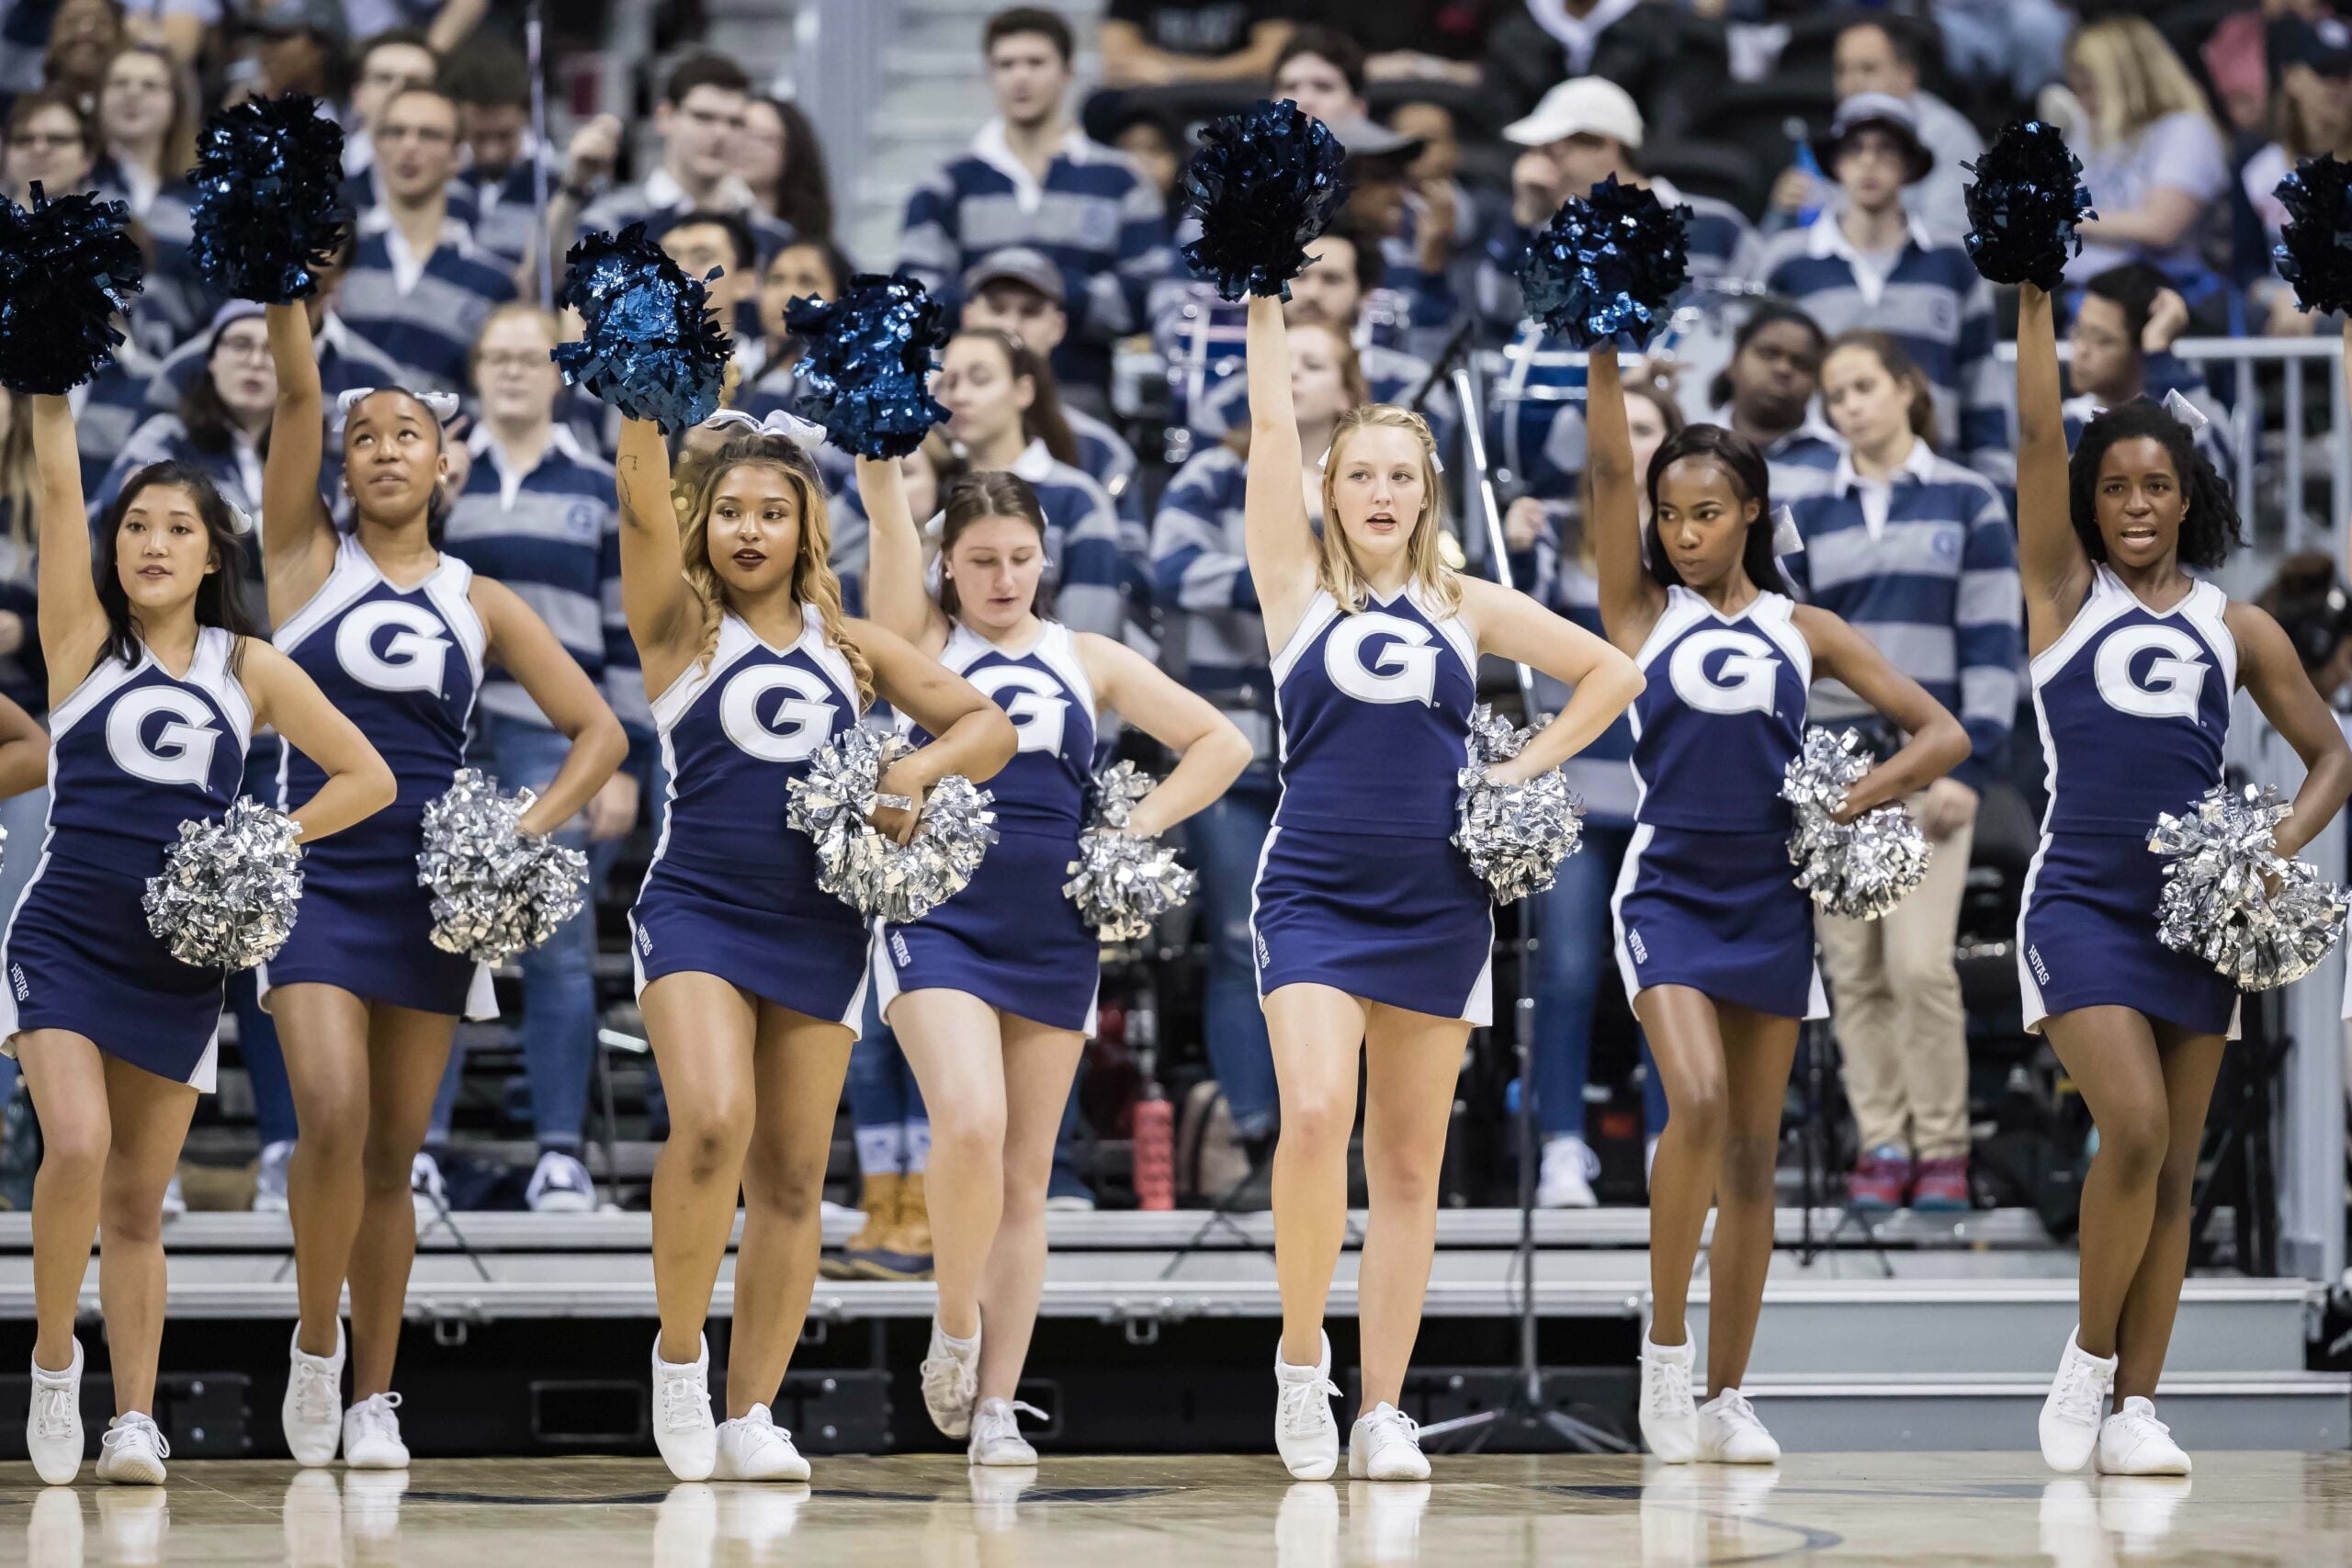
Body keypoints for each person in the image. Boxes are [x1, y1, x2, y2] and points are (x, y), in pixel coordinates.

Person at [1243, 292, 1645, 1481]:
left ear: (1428, 493)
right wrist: (1266, 296)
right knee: (1317, 1111)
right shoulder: (1293, 585)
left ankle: (1381, 1407)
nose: (1378, 493)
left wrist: (1515, 768)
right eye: (1358, 473)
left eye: (1399, 477)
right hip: (1311, 888)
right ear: (1331, 489)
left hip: (1436, 901)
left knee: (1409, 1162)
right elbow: (1273, 427)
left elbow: (1611, 673)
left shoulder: (1465, 602)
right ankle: (1302, 1361)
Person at [607, 412, 1013, 1483]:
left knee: (791, 1178)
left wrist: (911, 775)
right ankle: (680, 1364)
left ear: (803, 532)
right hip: (694, 905)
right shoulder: (677, 629)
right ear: (707, 524)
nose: (749, 530)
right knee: (712, 1121)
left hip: (821, 925)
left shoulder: (851, 647)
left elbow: (987, 725)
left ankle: (751, 1414)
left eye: (772, 514)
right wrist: (647, 400)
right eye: (731, 511)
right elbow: (639, 504)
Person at [257, 299, 627, 1471]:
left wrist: (521, 833)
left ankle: (375, 1392)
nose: (379, 449)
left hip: (430, 889)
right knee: (332, 1111)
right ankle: (315, 1348)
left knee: (391, 1152)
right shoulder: (301, 563)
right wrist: (284, 297)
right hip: (314, 865)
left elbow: (599, 734)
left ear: (442, 461)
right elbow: (300, 399)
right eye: (363, 436)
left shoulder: (479, 598)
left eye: (404, 434)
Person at [1586, 347, 1968, 1466]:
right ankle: (1662, 1353)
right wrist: (1604, 354)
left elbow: (1941, 731)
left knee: (1754, 1155)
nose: (1684, 533)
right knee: (1695, 1104)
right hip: (1664, 890)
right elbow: (1608, 477)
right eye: (1671, 516)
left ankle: (1725, 1393)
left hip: (1769, 899)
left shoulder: (1806, 631)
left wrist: (1851, 798)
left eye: (1707, 514)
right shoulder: (1637, 611)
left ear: (1751, 514)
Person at [8, 388, 391, 1487]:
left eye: (178, 528)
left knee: (135, 1203)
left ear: (213, 550)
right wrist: (45, 386)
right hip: (65, 937)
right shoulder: (81, 641)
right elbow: (58, 486)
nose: (153, 543)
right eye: (136, 527)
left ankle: (134, 1418)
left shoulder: (248, 667)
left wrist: (263, 840)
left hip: (177, 964)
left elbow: (365, 777)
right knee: (74, 1146)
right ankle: (50, 1362)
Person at [2012, 282, 2352, 1475]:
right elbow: (2037, 435)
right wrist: (2037, 298)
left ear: (2190, 493)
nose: (2139, 503)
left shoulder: (2238, 623)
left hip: (2198, 920)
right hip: (2079, 902)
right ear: (2087, 505)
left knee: (2171, 1171)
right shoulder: (2059, 598)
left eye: (2158, 484)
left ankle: (2138, 1409)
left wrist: (2266, 853)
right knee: (2137, 1126)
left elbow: (2332, 757)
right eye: (2117, 486)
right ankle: (2087, 1363)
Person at [858, 449, 1249, 1465]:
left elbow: (1221, 744)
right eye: (980, 559)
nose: (1001, 578)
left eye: (1020, 557)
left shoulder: (1089, 657)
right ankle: (952, 1324)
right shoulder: (918, 643)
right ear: (949, 566)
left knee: (1026, 1178)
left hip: (1051, 931)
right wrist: (879, 466)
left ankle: (995, 1407)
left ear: (1045, 559)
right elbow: (891, 532)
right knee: (973, 1124)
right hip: (936, 915)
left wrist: (1134, 828)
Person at [1787, 331, 2021, 1213]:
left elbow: (1997, 638)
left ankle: (1945, 1148)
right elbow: (1799, 643)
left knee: (1922, 965)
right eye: (1835, 392)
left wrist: (1979, 761)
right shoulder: (1810, 504)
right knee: (1855, 969)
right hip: (1837, 773)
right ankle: (1882, 1142)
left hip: (1932, 766)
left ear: (1906, 389)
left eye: (1862, 386)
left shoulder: (1969, 499)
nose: (1848, 404)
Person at [428, 304, 640, 1214]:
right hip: (447, 734)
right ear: (475, 371)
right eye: (497, 357)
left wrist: (624, 761)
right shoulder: (441, 478)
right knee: (438, 939)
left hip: (557, 737)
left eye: (530, 357)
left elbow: (628, 630)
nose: (514, 371)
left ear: (558, 373)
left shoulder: (595, 485)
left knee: (552, 946)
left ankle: (560, 1152)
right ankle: (419, 1150)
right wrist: (437, 499)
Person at [1150, 318, 1366, 1205]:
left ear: (1349, 384)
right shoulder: (1210, 473)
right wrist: (1289, 571)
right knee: (1245, 940)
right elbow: (1172, 571)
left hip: (1337, 746)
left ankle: (1334, 1132)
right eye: (1291, 360)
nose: (1298, 375)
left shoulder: (1373, 478)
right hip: (1234, 730)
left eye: (1318, 363)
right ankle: (1251, 1134)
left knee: (1344, 943)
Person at [1507, 377, 1684, 1205]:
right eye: (1621, 429)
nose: (1632, 443)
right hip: (1578, 793)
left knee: (1666, 976)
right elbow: (1513, 651)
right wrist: (1508, 541)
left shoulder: (1700, 537)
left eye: (1650, 427)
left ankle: (1667, 1141)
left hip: (1672, 797)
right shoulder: (1559, 532)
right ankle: (1561, 1145)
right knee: (1570, 970)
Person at [899, 8, 1170, 398]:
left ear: (1068, 71)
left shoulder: (1122, 180)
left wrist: (1044, 295)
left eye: (1036, 62)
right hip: (969, 404)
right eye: (1006, 64)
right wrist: (996, 304)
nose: (1021, 77)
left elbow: (1146, 294)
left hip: (1081, 400)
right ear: (989, 74)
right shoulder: (944, 182)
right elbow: (916, 299)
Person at [1759, 94, 2010, 488]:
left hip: (1935, 482)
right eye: (1855, 149)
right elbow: (1763, 383)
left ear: (1910, 165)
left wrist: (1995, 478)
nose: (1869, 162)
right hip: (1814, 483)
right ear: (1835, 163)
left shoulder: (1954, 262)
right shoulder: (1786, 261)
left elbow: (1979, 379)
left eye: (1887, 149)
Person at [847, 327, 1138, 640]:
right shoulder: (932, 487)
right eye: (949, 383)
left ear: (1023, 391)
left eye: (980, 379)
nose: (960, 396)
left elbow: (1091, 633)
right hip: (934, 677)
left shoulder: (1077, 497)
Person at [334, 85, 521, 397]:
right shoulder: (335, 258)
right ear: (376, 145)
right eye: (395, 132)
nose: (409, 146)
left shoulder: (494, 280)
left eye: (429, 135)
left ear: (457, 155)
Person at [557, 53, 790, 280]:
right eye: (704, 117)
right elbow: (547, 289)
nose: (721, 134)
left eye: (734, 122)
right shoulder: (611, 224)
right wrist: (573, 187)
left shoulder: (772, 238)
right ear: (665, 117)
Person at [1769, 17, 1983, 243]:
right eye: (1842, 70)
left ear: (1907, 76)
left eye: (1868, 69)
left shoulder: (1947, 136)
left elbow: (1951, 243)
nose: (1852, 83)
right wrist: (1782, 215)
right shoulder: (1834, 136)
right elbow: (1780, 255)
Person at [2061, 17, 2231, 289]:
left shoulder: (2185, 130)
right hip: (2075, 285)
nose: (2082, 102)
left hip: (2156, 293)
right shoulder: (2090, 131)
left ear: (2128, 80)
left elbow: (2160, 228)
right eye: (2077, 89)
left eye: (2090, 89)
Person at [959, 248, 1136, 496]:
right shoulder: (927, 443)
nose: (1011, 326)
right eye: (997, 309)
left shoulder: (1101, 451)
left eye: (1030, 311)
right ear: (967, 318)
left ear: (1058, 327)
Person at [89, 41, 208, 349]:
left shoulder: (206, 200)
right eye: (120, 83)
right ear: (99, 98)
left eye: (150, 85)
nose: (133, 93)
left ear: (176, 103)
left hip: (180, 372)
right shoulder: (72, 184)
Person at [2063, 265, 2226, 477]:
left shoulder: (2199, 412)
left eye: (2101, 339)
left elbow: (2204, 477)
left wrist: (2158, 350)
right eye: (2079, 332)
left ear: (2141, 349)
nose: (2081, 350)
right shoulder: (2066, 422)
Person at [2246, 17, 2352, 337]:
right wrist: (2281, 298)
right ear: (2291, 78)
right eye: (2323, 72)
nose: (2336, 85)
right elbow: (2244, 271)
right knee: (2250, 317)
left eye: (2345, 74)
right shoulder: (2259, 171)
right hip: (2280, 313)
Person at [1706, 304, 1839, 507]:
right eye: (1768, 354)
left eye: (1802, 364)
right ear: (1734, 362)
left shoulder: (1842, 464)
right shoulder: (1690, 447)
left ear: (1818, 383)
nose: (1783, 369)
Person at [339, 28, 440, 216]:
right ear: (358, 95)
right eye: (384, 78)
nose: (398, 90)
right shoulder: (320, 171)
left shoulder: (458, 172)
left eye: (414, 81)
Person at [1098, 0, 1297, 86]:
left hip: (1238, 96)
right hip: (1155, 95)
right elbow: (1118, 57)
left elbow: (1275, 58)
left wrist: (1176, 74)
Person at [738, 96, 832, 246]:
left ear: (792, 151)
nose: (746, 145)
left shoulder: (796, 241)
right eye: (740, 131)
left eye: (763, 138)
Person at [4, 85, 94, 206]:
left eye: (57, 139)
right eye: (24, 140)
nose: (39, 149)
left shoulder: (120, 223)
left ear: (87, 158)